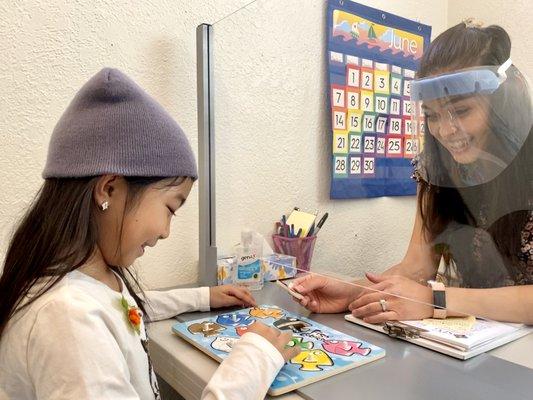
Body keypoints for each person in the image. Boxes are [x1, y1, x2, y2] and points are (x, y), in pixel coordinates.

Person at [0, 68, 300, 400]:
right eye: (171, 208)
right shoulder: (68, 320)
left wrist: (203, 297)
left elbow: (128, 306)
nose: (166, 231)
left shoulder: (85, 281)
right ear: (109, 189)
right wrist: (252, 363)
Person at [292, 20, 533, 325]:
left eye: (461, 111)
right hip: (476, 346)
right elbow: (416, 268)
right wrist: (354, 291)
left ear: (505, 104)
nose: (445, 131)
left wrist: (436, 301)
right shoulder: (436, 172)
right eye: (432, 115)